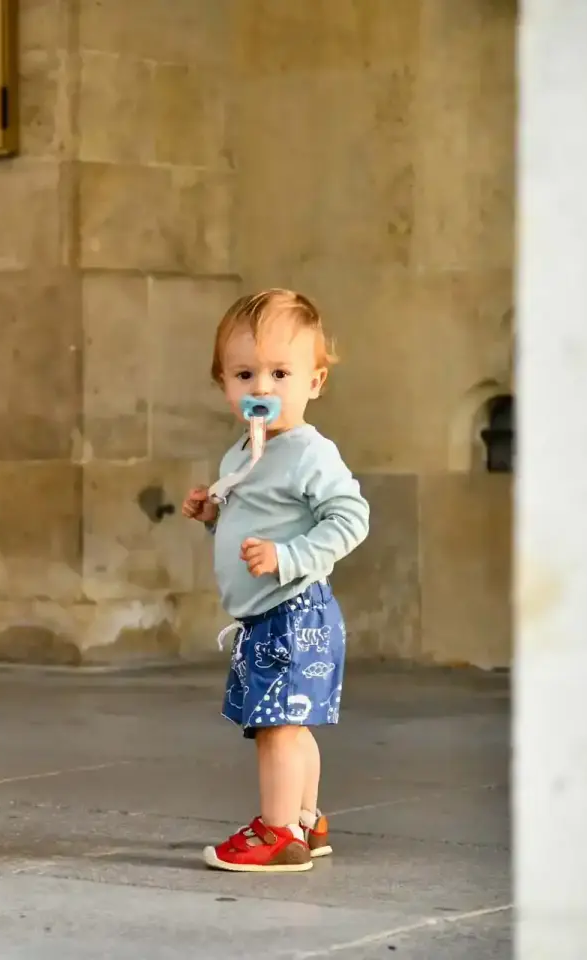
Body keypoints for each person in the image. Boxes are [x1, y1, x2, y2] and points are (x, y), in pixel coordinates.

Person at [181, 289, 370, 873]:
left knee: (276, 730)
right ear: (224, 384)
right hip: (271, 612)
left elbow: (350, 519)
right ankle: (307, 820)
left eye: (280, 372)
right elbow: (252, 530)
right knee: (292, 724)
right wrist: (214, 515)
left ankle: (276, 831)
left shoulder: (310, 452)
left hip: (294, 609)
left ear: (314, 382)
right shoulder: (244, 453)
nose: (262, 387)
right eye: (245, 373)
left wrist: (287, 558)